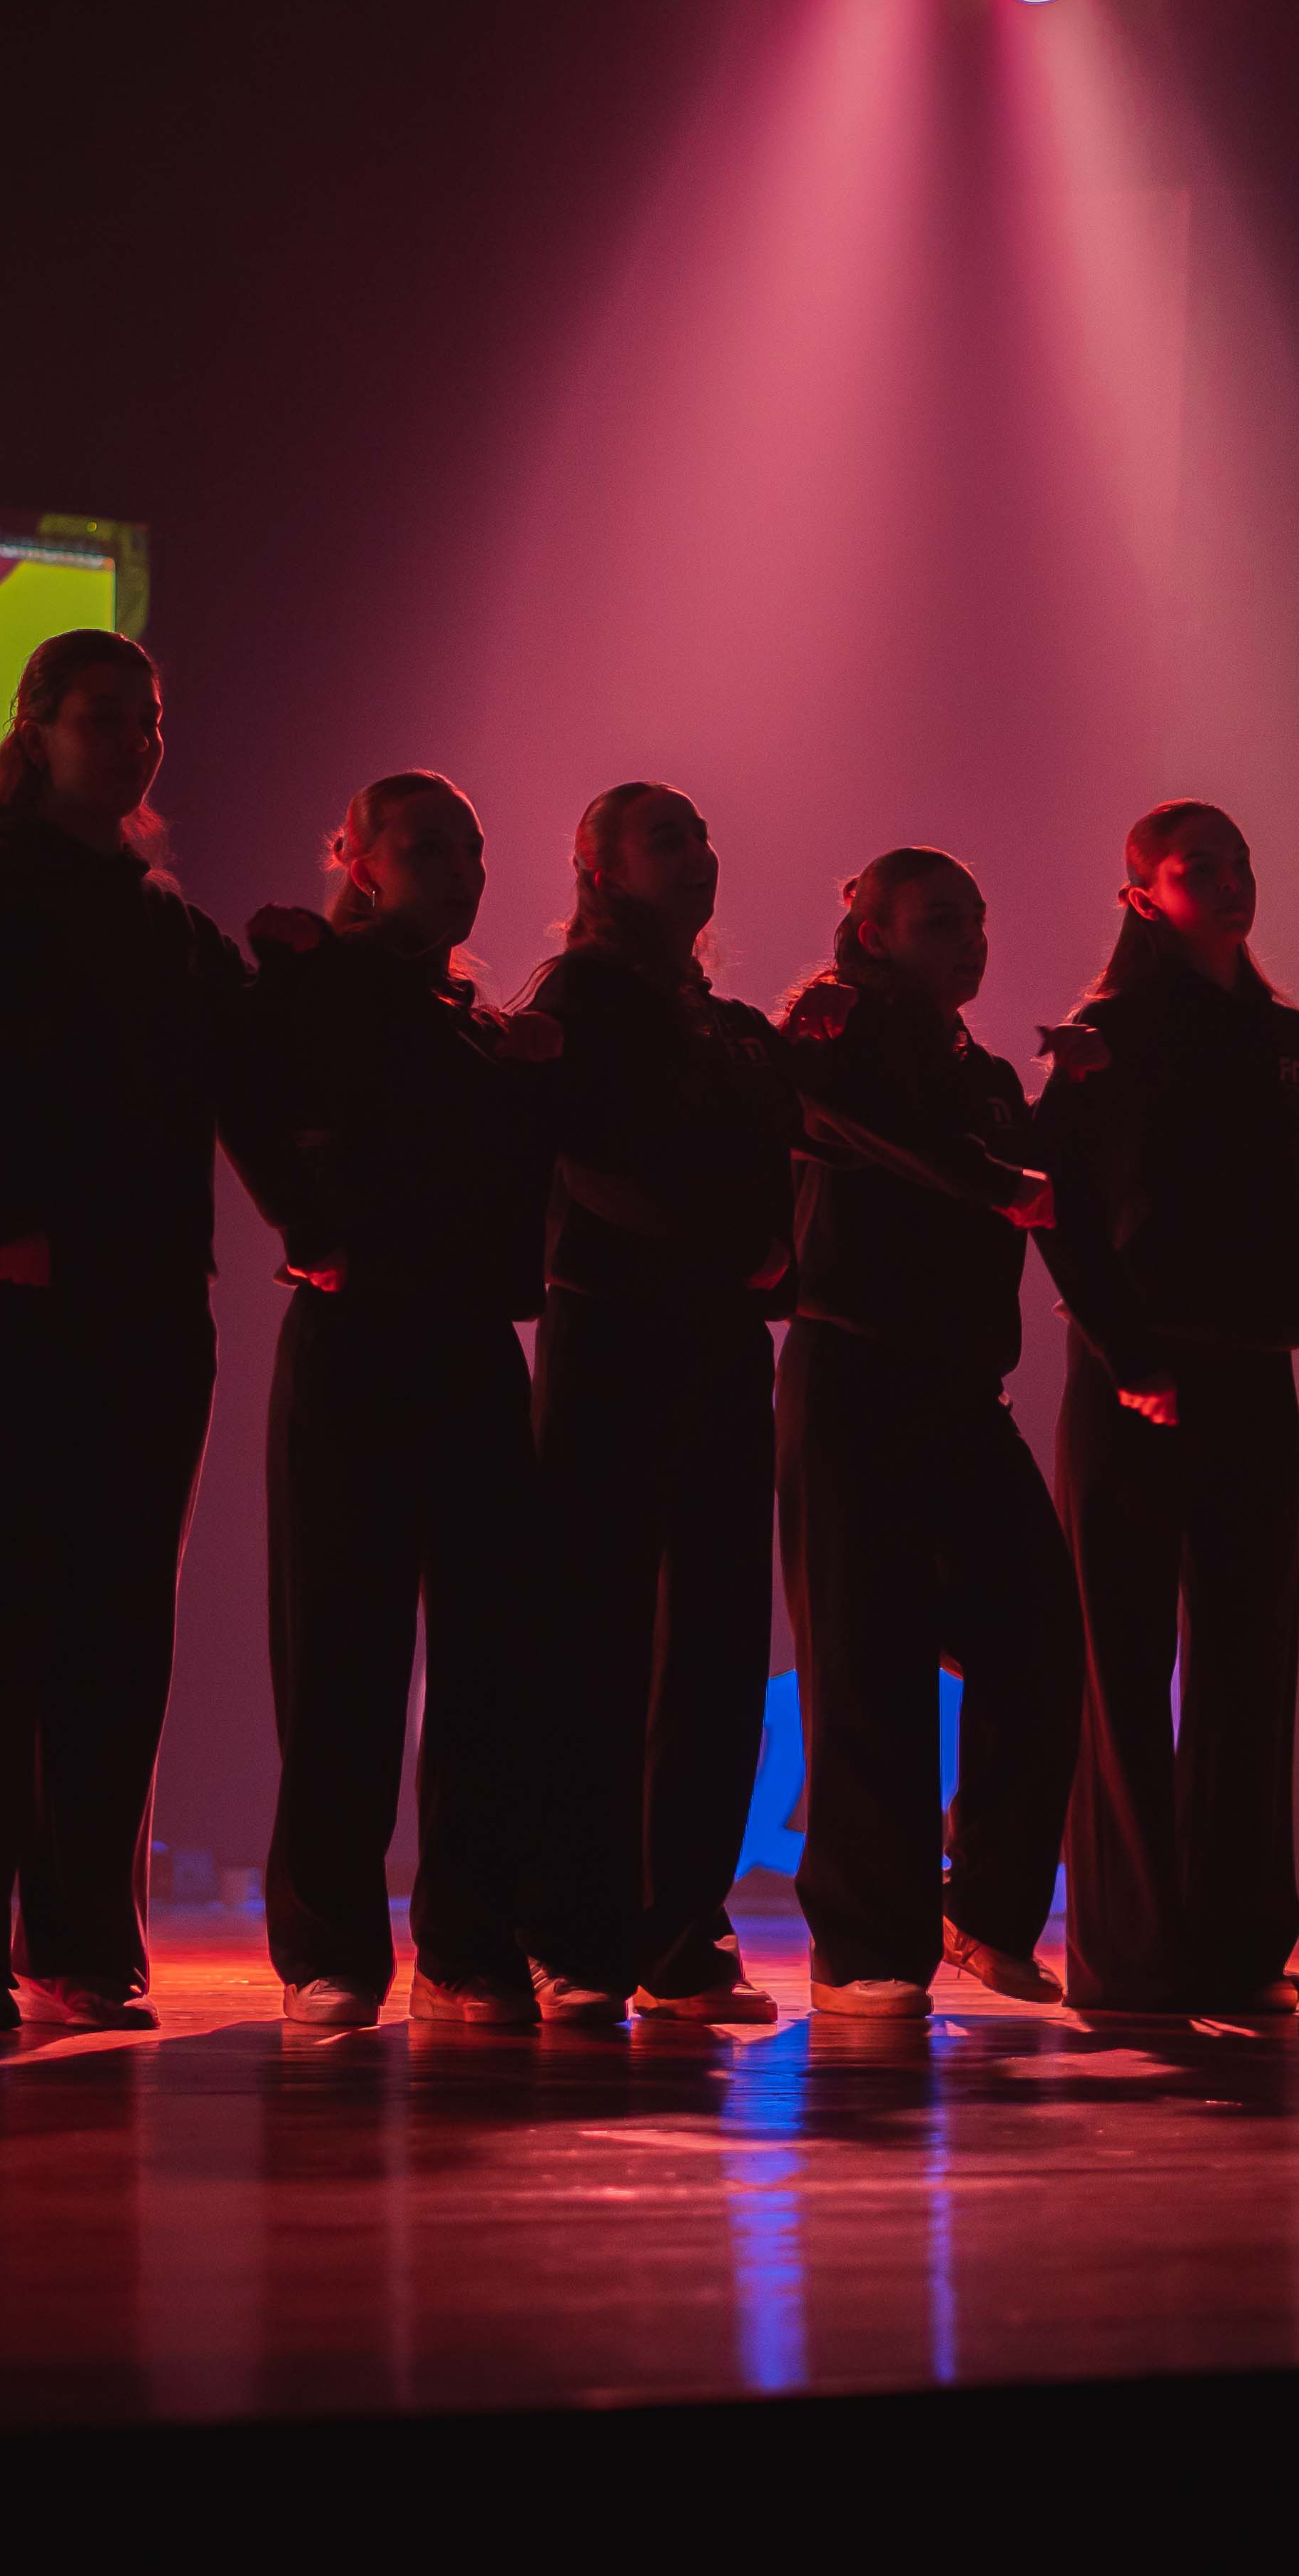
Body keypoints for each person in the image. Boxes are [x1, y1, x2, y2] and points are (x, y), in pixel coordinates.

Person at [0, 628, 247, 2034]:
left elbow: (268, 1067)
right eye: (101, 716)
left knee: (117, 1631)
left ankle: (80, 1943)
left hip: (148, 1309)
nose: (133, 741)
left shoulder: (170, 925)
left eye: (149, 717)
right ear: (35, 729)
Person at [224, 772, 589, 2026]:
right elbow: (247, 1093)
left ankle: (467, 1944)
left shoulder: (477, 1025)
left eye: (471, 851)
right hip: (359, 1335)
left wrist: (530, 1075)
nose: (460, 872)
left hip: (472, 1346)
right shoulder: (317, 982)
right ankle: (329, 1947)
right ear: (361, 860)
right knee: (344, 1650)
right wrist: (307, 1225)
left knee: (493, 1656)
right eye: (428, 847)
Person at [1035, 802, 1299, 2017]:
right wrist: (1127, 1351)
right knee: (1124, 1655)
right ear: (1143, 896)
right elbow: (1057, 1205)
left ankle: (1237, 1945)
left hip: (1253, 1372)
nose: (1232, 884)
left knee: (1247, 1659)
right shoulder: (1106, 1037)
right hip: (1132, 1370)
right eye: (1199, 869)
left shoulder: (1292, 1042)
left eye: (1241, 863)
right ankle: (1129, 1954)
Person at [770, 849, 1091, 2020]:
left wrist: (1069, 1106)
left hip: (962, 1395)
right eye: (941, 921)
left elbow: (1048, 1190)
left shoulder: (987, 1074)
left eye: (977, 919)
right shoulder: (834, 1037)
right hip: (853, 1375)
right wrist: (990, 1177)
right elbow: (854, 1123)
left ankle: (985, 1909)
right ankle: (865, 1948)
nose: (971, 940)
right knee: (869, 1665)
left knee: (1040, 1637)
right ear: (872, 934)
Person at [522, 784, 801, 2024]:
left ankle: (682, 1928)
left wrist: (777, 1256)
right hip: (617, 1336)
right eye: (666, 839)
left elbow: (788, 1149)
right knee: (594, 1634)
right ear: (599, 867)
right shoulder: (578, 998)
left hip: (723, 1345)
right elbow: (592, 1163)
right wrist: (732, 1249)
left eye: (703, 835)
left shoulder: (729, 1024)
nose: (699, 855)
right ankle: (573, 1929)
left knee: (718, 1642)